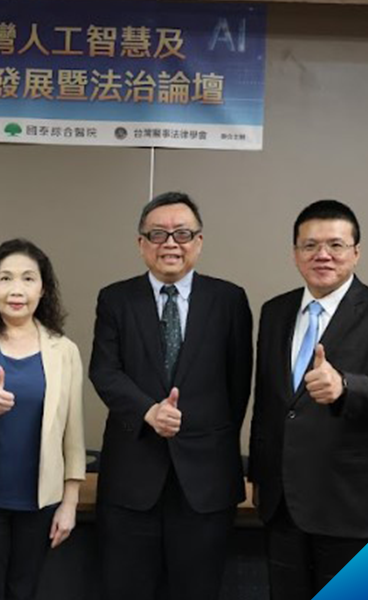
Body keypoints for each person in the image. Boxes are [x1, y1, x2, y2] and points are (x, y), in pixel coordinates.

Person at [250, 199, 368, 599]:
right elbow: (268, 403)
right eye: (310, 245)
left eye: (336, 245)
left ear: (356, 252)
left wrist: (346, 387)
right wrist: (260, 475)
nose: (322, 255)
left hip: (354, 506)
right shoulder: (275, 311)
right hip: (282, 505)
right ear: (295, 253)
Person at [89, 193, 253, 600]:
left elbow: (238, 386)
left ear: (199, 241)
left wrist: (203, 433)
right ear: (141, 243)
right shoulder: (115, 299)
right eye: (158, 234)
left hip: (205, 483)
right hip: (131, 480)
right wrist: (148, 411)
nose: (170, 244)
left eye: (182, 233)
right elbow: (104, 371)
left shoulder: (229, 300)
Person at [0, 239, 86, 600]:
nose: (16, 290)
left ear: (43, 288)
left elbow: (73, 434)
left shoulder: (64, 350)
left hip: (41, 500)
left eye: (28, 278)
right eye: (5, 278)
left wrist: (69, 503)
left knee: (23, 592)